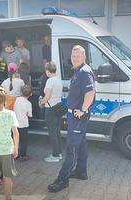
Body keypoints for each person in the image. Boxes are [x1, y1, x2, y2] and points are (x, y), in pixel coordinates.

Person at [48, 45, 96, 192]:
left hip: (78, 116)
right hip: (74, 115)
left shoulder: (84, 72)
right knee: (81, 144)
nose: (74, 58)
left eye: (78, 56)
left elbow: (90, 92)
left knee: (71, 148)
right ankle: (81, 172)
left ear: (84, 57)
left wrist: (83, 110)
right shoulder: (78, 71)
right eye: (73, 56)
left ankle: (63, 179)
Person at [38, 61, 63, 162]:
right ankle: (59, 152)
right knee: (57, 131)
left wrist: (41, 103)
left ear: (47, 71)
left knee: (52, 133)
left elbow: (47, 96)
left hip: (50, 108)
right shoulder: (58, 79)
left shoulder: (50, 81)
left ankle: (55, 155)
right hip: (58, 107)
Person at [14, 85, 32, 162]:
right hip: (23, 124)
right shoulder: (28, 103)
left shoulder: (17, 99)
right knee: (24, 141)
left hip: (15, 123)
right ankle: (23, 155)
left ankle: (15, 154)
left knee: (16, 140)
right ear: (31, 94)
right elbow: (29, 115)